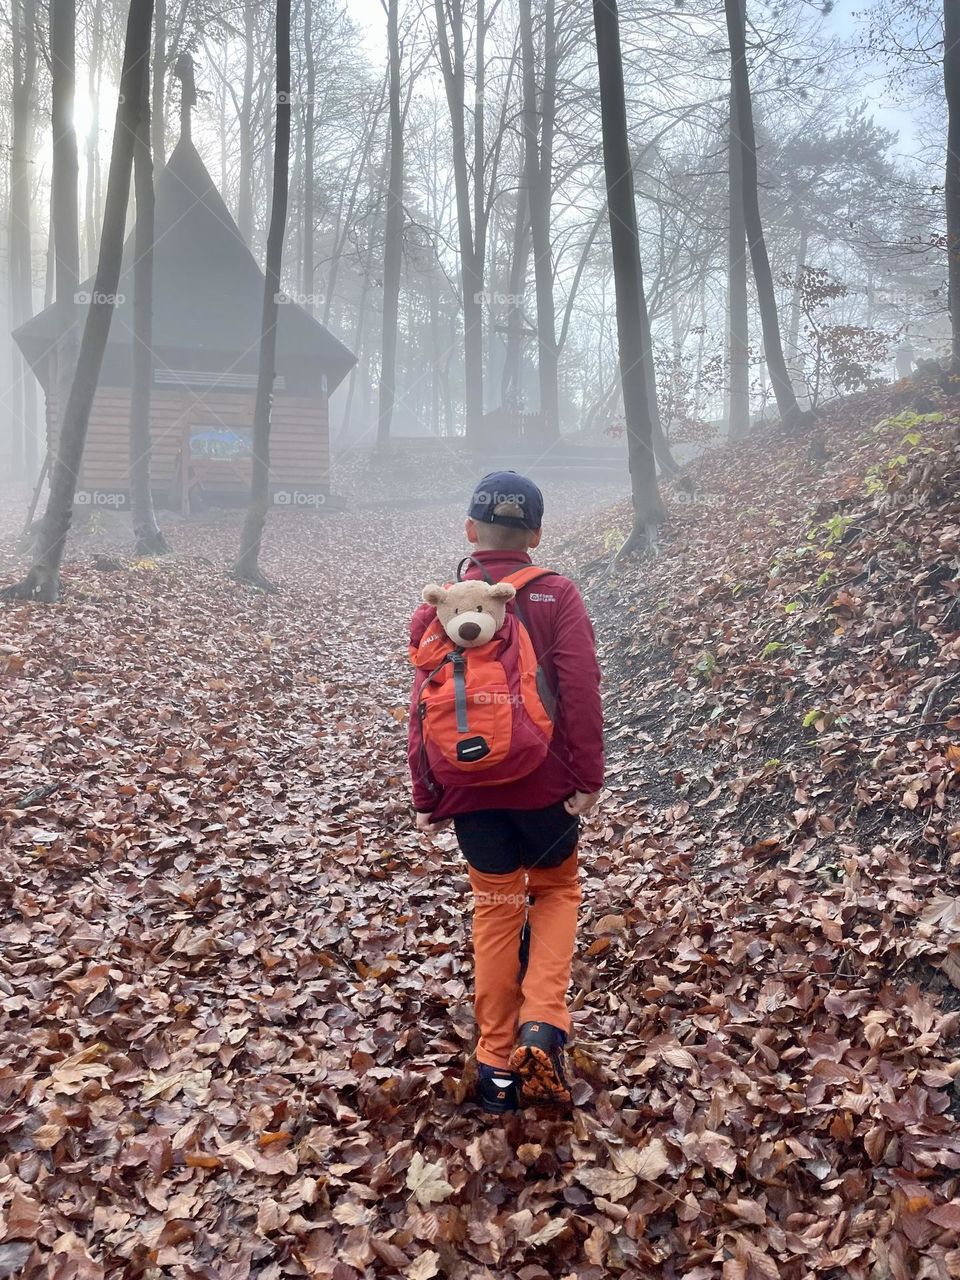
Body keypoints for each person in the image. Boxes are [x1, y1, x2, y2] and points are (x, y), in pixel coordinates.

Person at [407, 472, 604, 1112]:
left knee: (495, 910)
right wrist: (587, 777)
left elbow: (420, 706)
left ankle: (494, 1064)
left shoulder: (436, 610)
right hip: (545, 786)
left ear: (470, 531)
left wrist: (427, 791)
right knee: (555, 891)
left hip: (470, 790)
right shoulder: (556, 595)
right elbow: (579, 690)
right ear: (537, 537)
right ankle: (542, 1021)